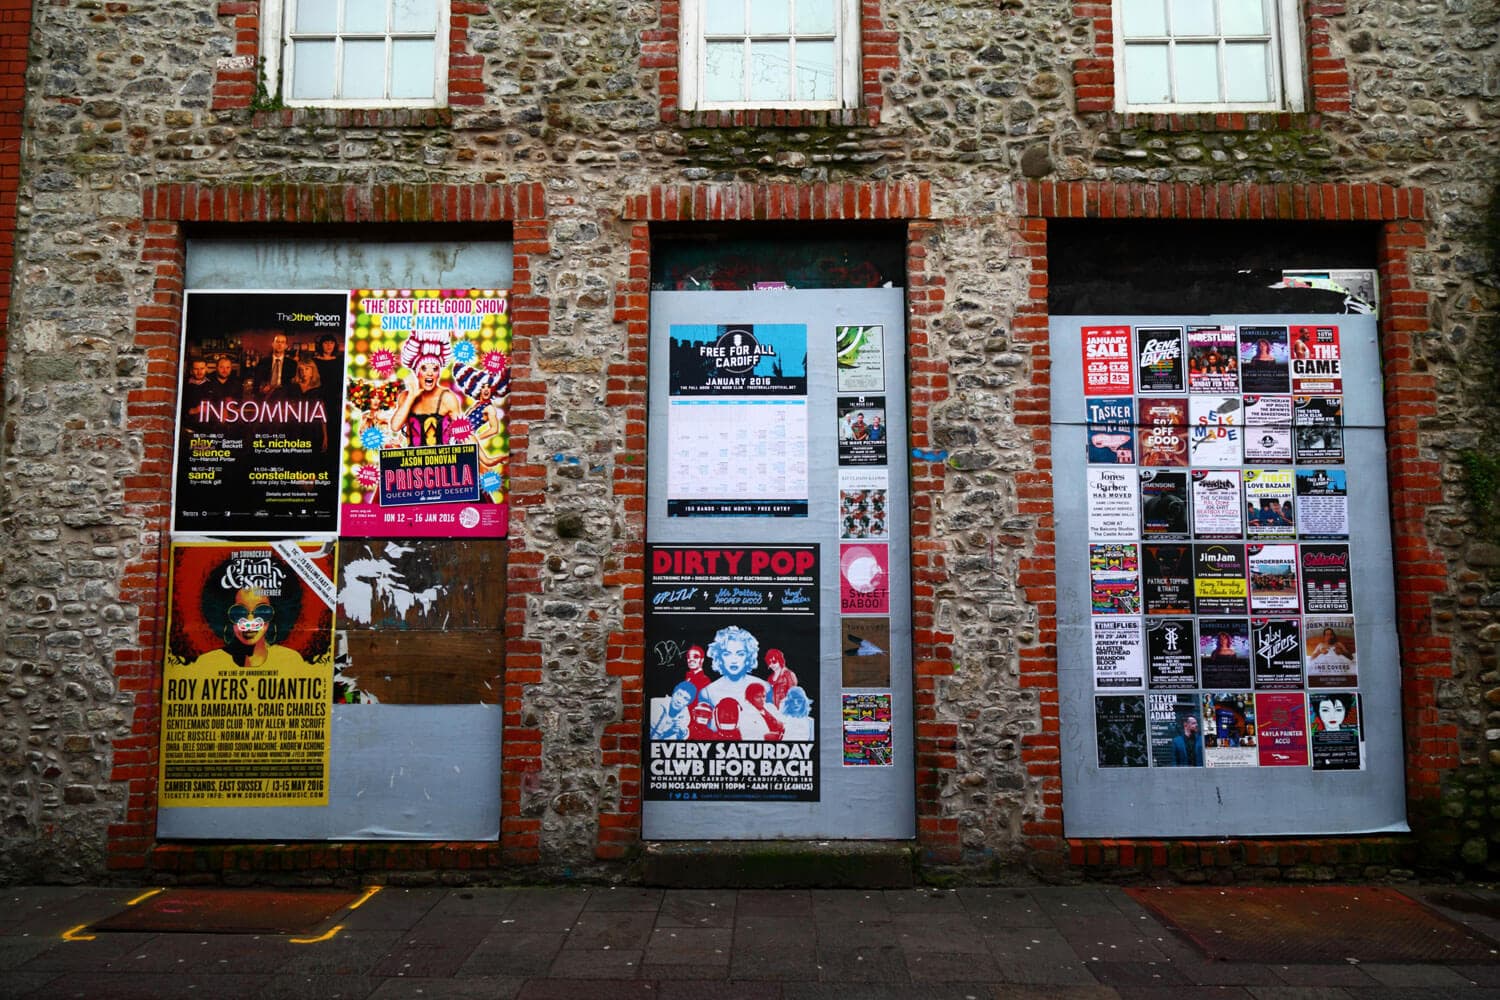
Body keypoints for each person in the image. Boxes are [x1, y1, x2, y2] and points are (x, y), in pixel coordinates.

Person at [187, 585, 310, 670]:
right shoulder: (207, 663)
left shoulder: (291, 660)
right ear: (227, 617)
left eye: (262, 611)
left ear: (273, 616)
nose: (250, 623)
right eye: (239, 612)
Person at [390, 331, 462, 447]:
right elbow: (395, 426)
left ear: (439, 373)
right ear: (416, 372)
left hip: (443, 462)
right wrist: (411, 398)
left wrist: (486, 460)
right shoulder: (405, 397)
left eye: (435, 369)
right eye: (424, 368)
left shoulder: (447, 397)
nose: (430, 373)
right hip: (413, 462)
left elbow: (463, 433)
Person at [702, 625, 763, 720]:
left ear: (748, 656)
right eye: (727, 654)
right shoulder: (707, 693)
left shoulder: (765, 688)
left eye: (740, 654)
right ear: (719, 657)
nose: (734, 660)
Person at [253, 333, 297, 399]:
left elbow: (293, 384)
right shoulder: (263, 362)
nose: (280, 344)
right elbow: (257, 380)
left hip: (284, 396)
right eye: (277, 342)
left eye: (282, 342)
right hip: (266, 394)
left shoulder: (292, 363)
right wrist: (262, 389)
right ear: (273, 344)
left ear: (286, 346)